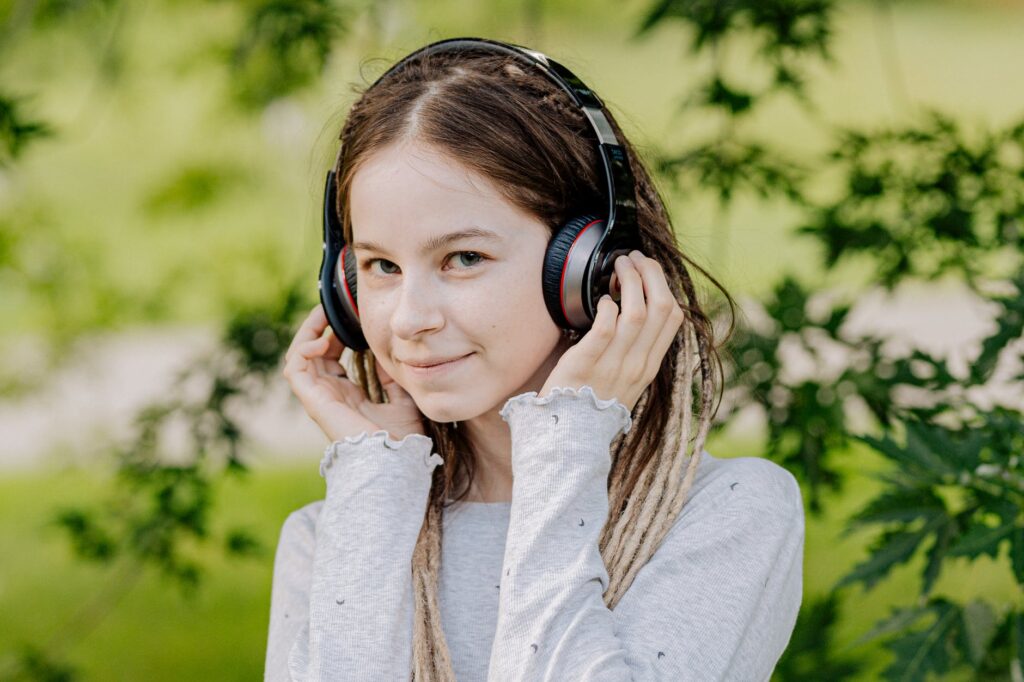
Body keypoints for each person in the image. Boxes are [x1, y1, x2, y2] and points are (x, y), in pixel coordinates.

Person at [265, 37, 804, 681]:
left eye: (463, 258)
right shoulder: (337, 534)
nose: (410, 318)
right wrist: (378, 481)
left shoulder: (731, 512)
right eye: (381, 266)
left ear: (584, 265)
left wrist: (566, 436)